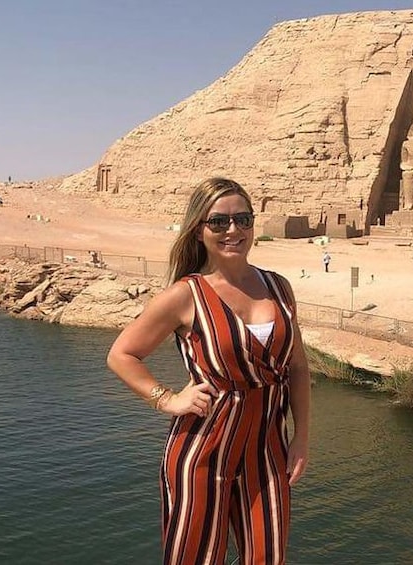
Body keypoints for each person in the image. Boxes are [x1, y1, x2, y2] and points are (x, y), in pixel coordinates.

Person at [106, 177, 311, 565]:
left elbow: (298, 367)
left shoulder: (279, 288)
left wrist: (301, 438)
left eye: (243, 220)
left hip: (267, 449)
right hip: (202, 450)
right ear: (199, 230)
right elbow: (122, 354)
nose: (233, 230)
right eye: (219, 222)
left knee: (268, 556)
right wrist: (166, 399)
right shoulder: (186, 295)